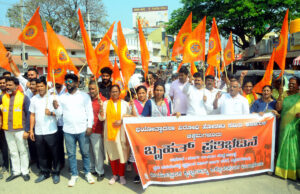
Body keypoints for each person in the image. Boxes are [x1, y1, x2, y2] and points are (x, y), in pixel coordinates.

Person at [53, 74, 95, 187]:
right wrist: (56, 108)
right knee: (71, 154)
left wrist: (89, 125)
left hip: (82, 129)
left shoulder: (84, 96)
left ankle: (87, 172)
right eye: (66, 81)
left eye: (70, 81)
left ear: (76, 83)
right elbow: (59, 115)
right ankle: (74, 175)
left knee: (85, 153)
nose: (68, 83)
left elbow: (90, 112)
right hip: (68, 131)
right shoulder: (62, 98)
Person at [99, 85, 136, 185]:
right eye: (112, 91)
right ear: (110, 93)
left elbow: (131, 117)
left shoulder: (125, 104)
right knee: (112, 155)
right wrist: (101, 110)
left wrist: (122, 120)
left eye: (116, 91)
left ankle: (122, 175)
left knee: (121, 155)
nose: (114, 93)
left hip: (121, 134)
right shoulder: (106, 104)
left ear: (119, 93)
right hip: (109, 134)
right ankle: (115, 175)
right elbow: (101, 118)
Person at [28, 77, 60, 184]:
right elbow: (32, 115)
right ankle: (44, 172)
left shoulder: (53, 98)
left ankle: (55, 173)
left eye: (41, 86)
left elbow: (60, 114)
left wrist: (51, 113)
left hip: (51, 131)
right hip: (38, 132)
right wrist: (31, 130)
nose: (40, 88)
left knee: (54, 153)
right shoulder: (34, 99)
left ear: (46, 86)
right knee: (41, 154)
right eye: (38, 86)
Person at [0, 77, 30, 182]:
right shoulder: (2, 97)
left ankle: (25, 171)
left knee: (23, 151)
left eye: (10, 85)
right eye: (6, 85)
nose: (7, 87)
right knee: (13, 151)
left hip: (20, 129)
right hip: (7, 129)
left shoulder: (24, 98)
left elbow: (28, 114)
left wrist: (27, 130)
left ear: (16, 86)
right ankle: (16, 171)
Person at [275, 88, 300, 180]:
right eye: (290, 82)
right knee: (284, 147)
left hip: (295, 127)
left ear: (298, 85)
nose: (291, 84)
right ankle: (282, 171)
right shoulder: (286, 96)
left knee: (294, 149)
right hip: (284, 126)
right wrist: (280, 95)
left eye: (293, 83)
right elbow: (278, 108)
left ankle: (294, 172)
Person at [88, 80, 106, 182]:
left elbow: (104, 118)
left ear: (98, 89)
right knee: (89, 151)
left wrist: (103, 131)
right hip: (86, 129)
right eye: (90, 89)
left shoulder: (103, 100)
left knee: (97, 152)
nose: (91, 91)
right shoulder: (86, 98)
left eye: (93, 89)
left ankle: (100, 171)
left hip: (97, 130)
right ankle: (92, 169)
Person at [49, 82, 67, 169]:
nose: (57, 82)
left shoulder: (67, 90)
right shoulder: (50, 91)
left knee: (70, 145)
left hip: (67, 123)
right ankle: (61, 162)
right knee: (58, 145)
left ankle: (72, 165)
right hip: (56, 123)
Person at [0, 77, 9, 176]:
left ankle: (6, 165)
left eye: (4, 83)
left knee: (4, 147)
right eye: (0, 83)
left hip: (5, 125)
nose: (2, 84)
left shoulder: (9, 95)